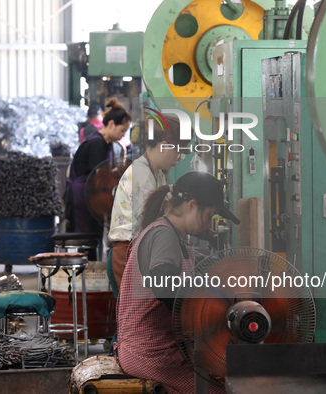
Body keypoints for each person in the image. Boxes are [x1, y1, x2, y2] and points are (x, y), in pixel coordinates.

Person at [116, 171, 239, 394]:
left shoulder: (168, 233)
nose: (208, 223)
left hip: (150, 351)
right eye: (209, 215)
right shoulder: (164, 235)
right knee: (225, 391)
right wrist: (209, 315)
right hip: (151, 354)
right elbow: (165, 288)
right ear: (191, 206)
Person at [107, 115, 189, 297]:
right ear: (163, 146)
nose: (180, 158)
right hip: (126, 254)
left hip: (135, 252)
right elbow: (147, 225)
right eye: (178, 151)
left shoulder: (156, 174)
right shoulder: (142, 175)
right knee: (135, 318)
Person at [64, 98, 131, 234]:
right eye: (122, 130)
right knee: (85, 237)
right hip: (82, 196)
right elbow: (100, 177)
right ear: (111, 124)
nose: (123, 135)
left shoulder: (107, 143)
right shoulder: (97, 144)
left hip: (89, 195)